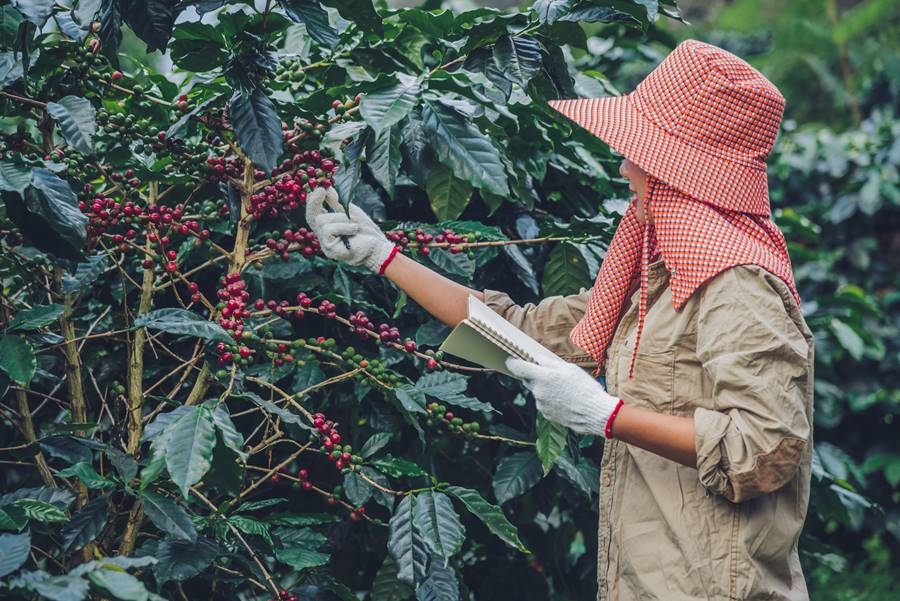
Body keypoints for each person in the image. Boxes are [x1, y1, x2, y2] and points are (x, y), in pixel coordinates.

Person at [306, 39, 814, 601]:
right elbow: (516, 334)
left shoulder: (735, 284)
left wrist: (606, 415)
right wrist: (384, 258)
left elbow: (766, 451)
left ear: (677, 173)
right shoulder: (654, 272)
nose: (624, 168)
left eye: (637, 154)